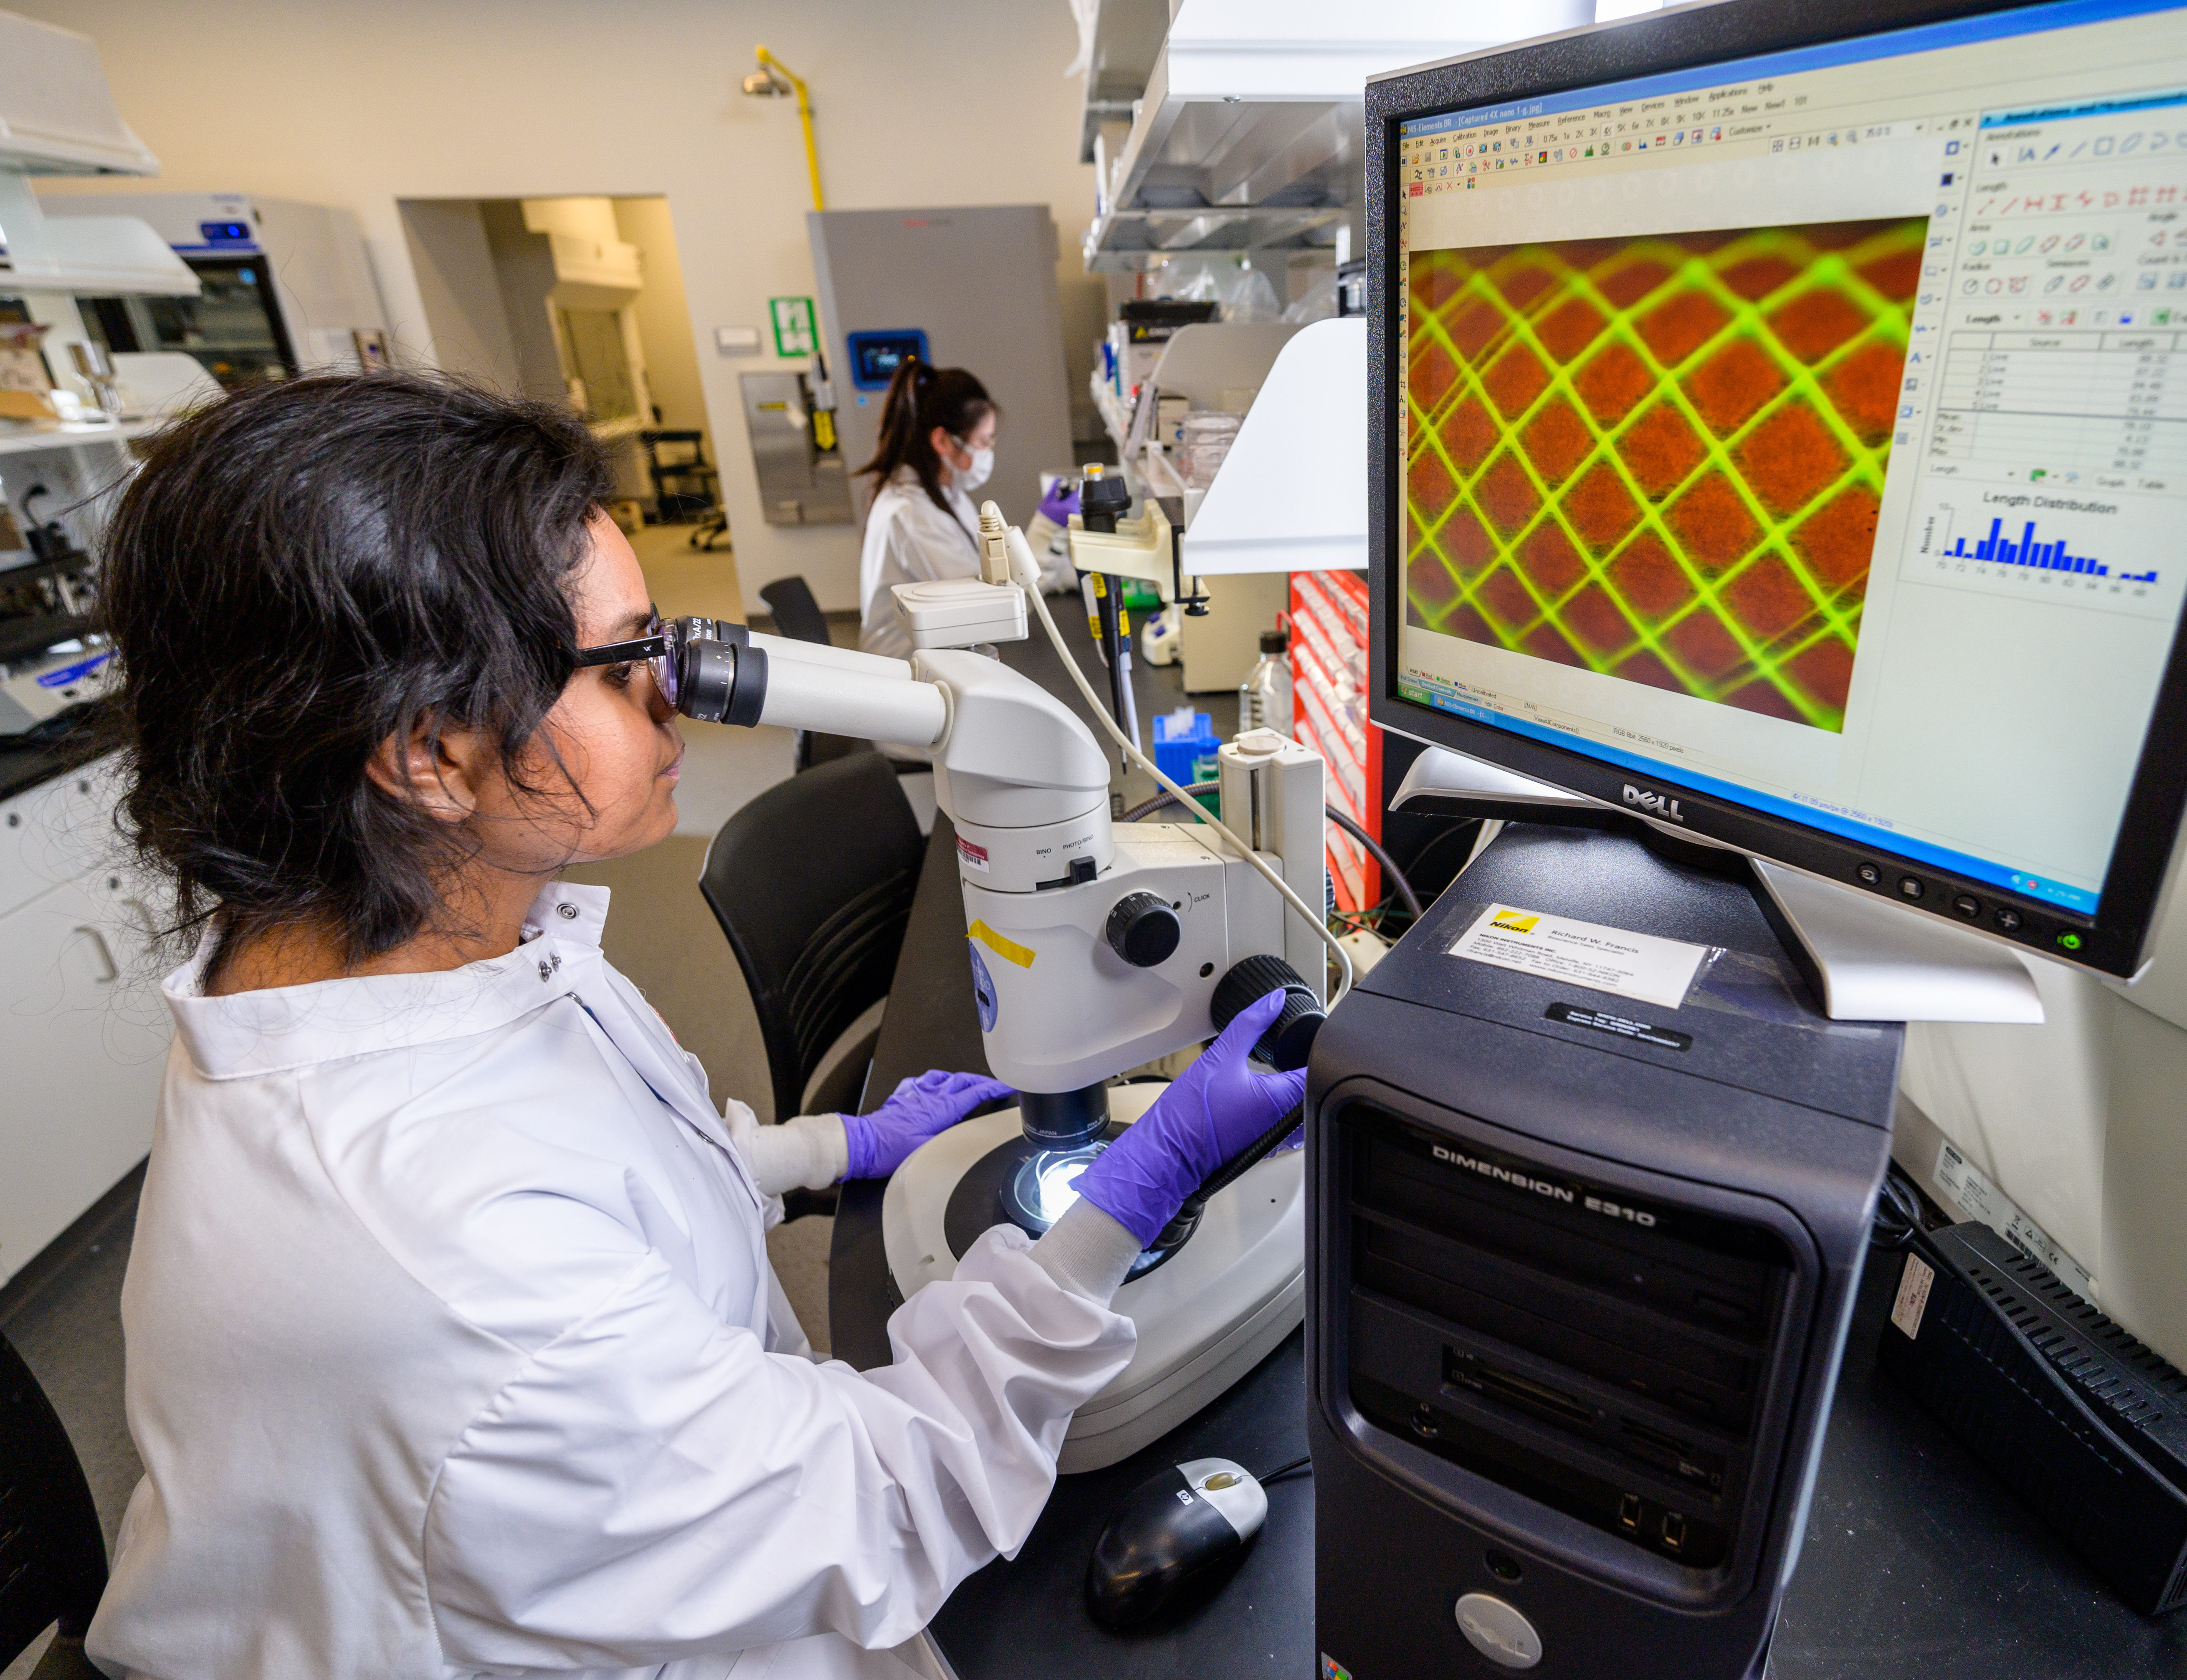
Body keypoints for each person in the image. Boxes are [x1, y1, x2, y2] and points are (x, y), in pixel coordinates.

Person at [82, 373, 1304, 1680]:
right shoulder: (446, 1261)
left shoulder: (402, 951)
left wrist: (826, 1148)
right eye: (624, 662)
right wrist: (1121, 1209)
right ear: (431, 755)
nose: (674, 693)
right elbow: (884, 1505)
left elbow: (606, 1171)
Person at [853, 357, 1071, 663]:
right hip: (902, 672)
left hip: (940, 655)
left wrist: (1065, 572)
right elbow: (987, 610)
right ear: (943, 441)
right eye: (983, 442)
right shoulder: (910, 513)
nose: (989, 453)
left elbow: (988, 574)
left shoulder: (946, 495)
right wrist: (1045, 530)